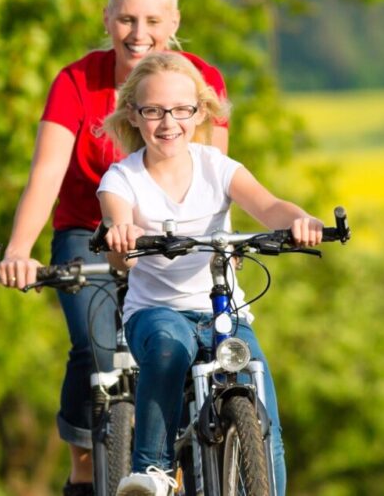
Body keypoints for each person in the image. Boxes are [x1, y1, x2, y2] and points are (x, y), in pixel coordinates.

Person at [0, 0, 229, 495]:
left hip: (173, 233)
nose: (138, 33)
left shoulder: (200, 81)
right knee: (96, 348)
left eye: (152, 20)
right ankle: (84, 466)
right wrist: (19, 250)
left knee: (191, 349)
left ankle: (186, 459)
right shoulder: (76, 82)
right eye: (126, 19)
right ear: (106, 19)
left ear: (174, 22)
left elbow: (215, 176)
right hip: (89, 230)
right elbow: (46, 174)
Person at [96, 52, 322, 496]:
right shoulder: (122, 178)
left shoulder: (216, 167)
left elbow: (268, 206)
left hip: (223, 312)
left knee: (262, 410)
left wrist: (301, 220)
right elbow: (117, 235)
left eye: (182, 109)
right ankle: (153, 471)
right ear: (134, 115)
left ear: (200, 112)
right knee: (169, 347)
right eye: (154, 111)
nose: (169, 122)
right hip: (156, 313)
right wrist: (121, 237)